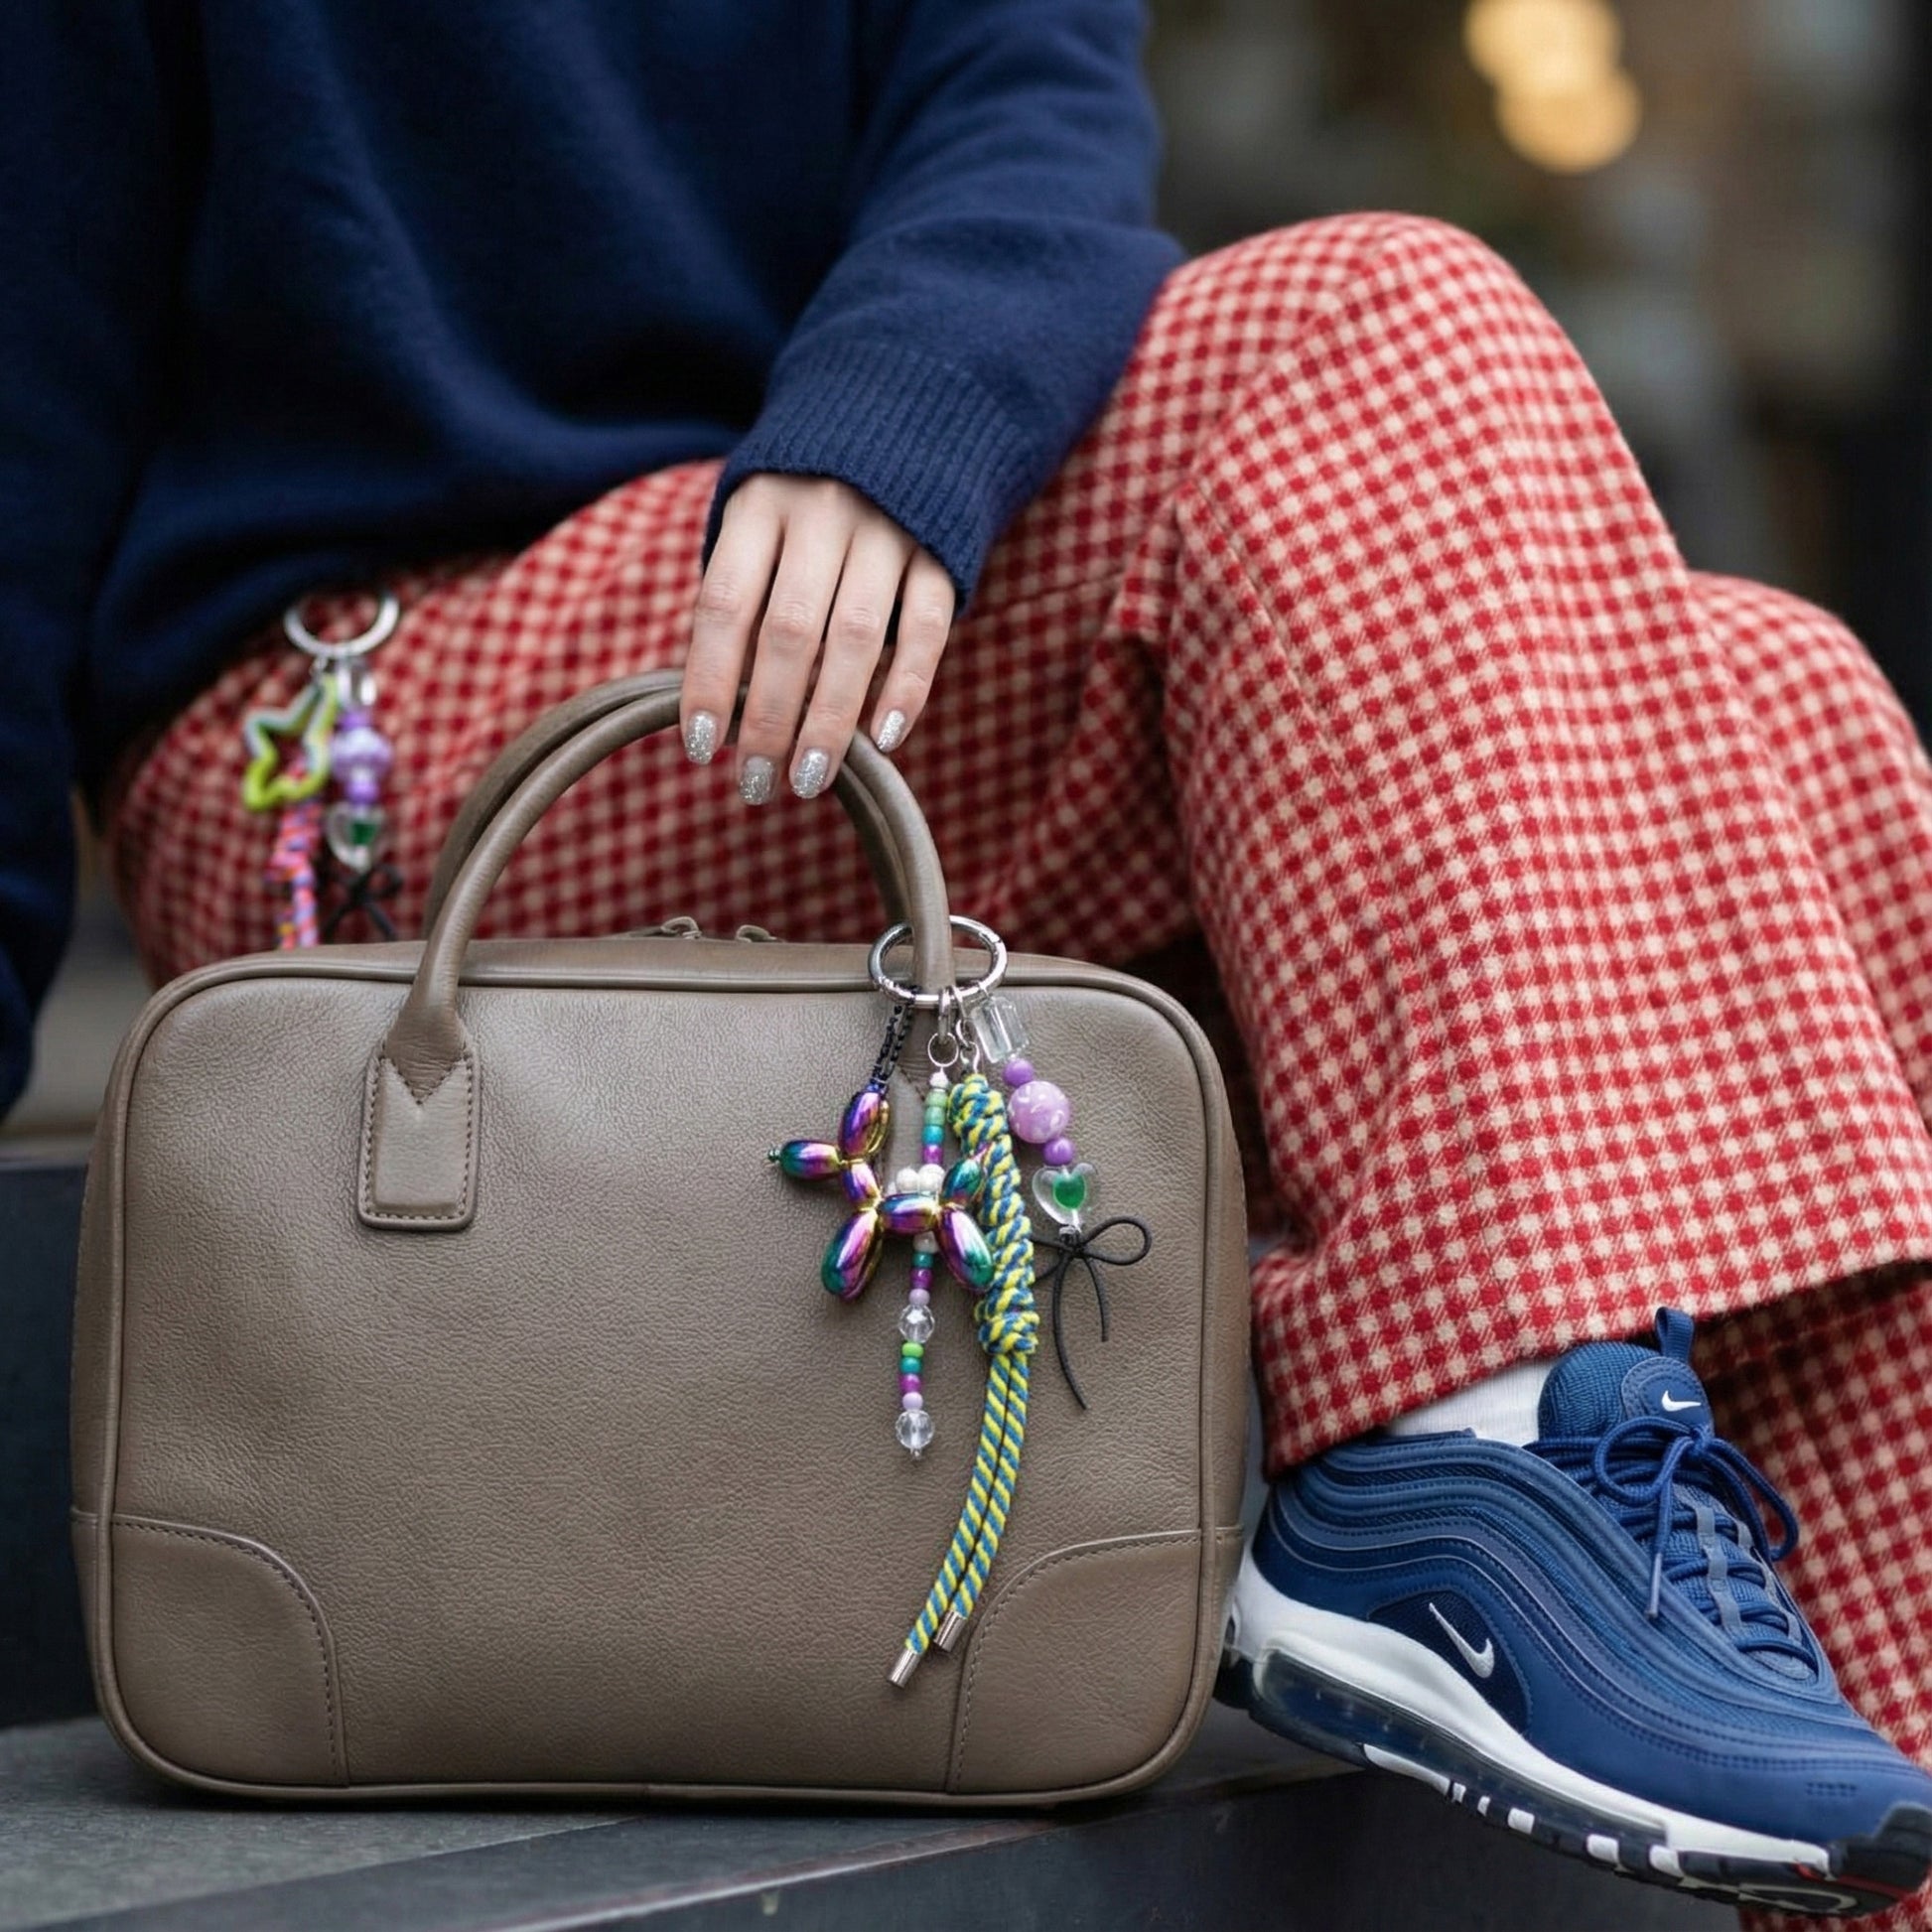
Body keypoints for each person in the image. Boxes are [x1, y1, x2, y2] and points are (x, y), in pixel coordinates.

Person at [7, 3, 1932, 1921]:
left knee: (1782, 701)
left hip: (875, 653)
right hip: (365, 755)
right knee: (1368, 312)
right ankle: (1464, 1459)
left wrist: (896, 410)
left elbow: (1027, 95)